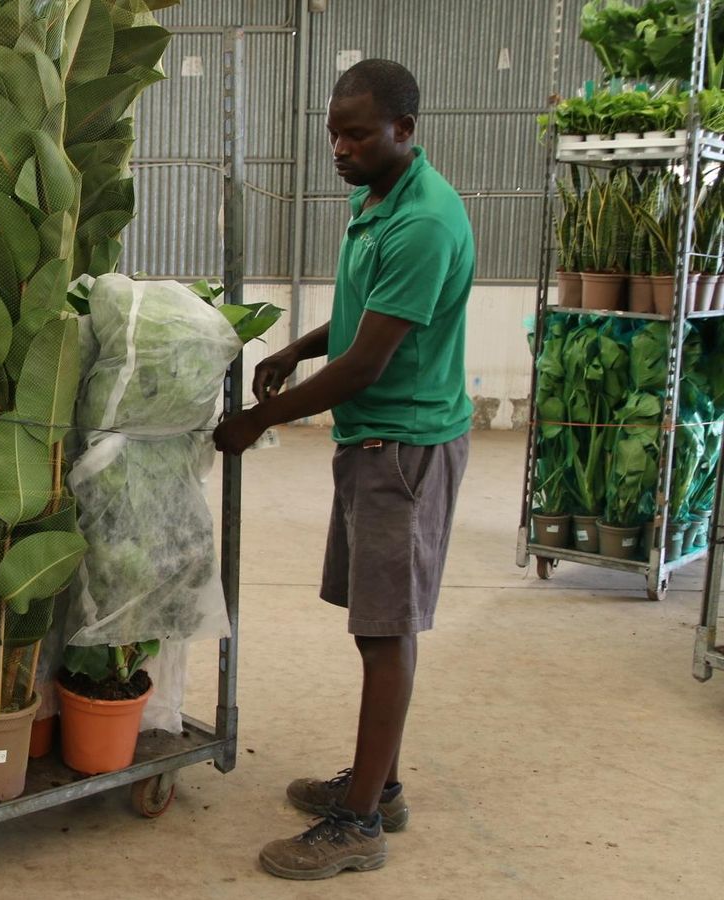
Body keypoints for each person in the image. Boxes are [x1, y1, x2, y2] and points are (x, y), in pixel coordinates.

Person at [212, 58, 474, 881]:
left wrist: (258, 421)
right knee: (374, 624)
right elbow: (363, 315)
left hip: (403, 447)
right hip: (373, 442)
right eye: (333, 131)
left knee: (385, 630)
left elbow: (366, 363)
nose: (340, 147)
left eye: (357, 133)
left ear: (405, 129)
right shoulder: (378, 200)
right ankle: (378, 784)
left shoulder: (424, 220)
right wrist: (293, 347)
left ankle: (361, 822)